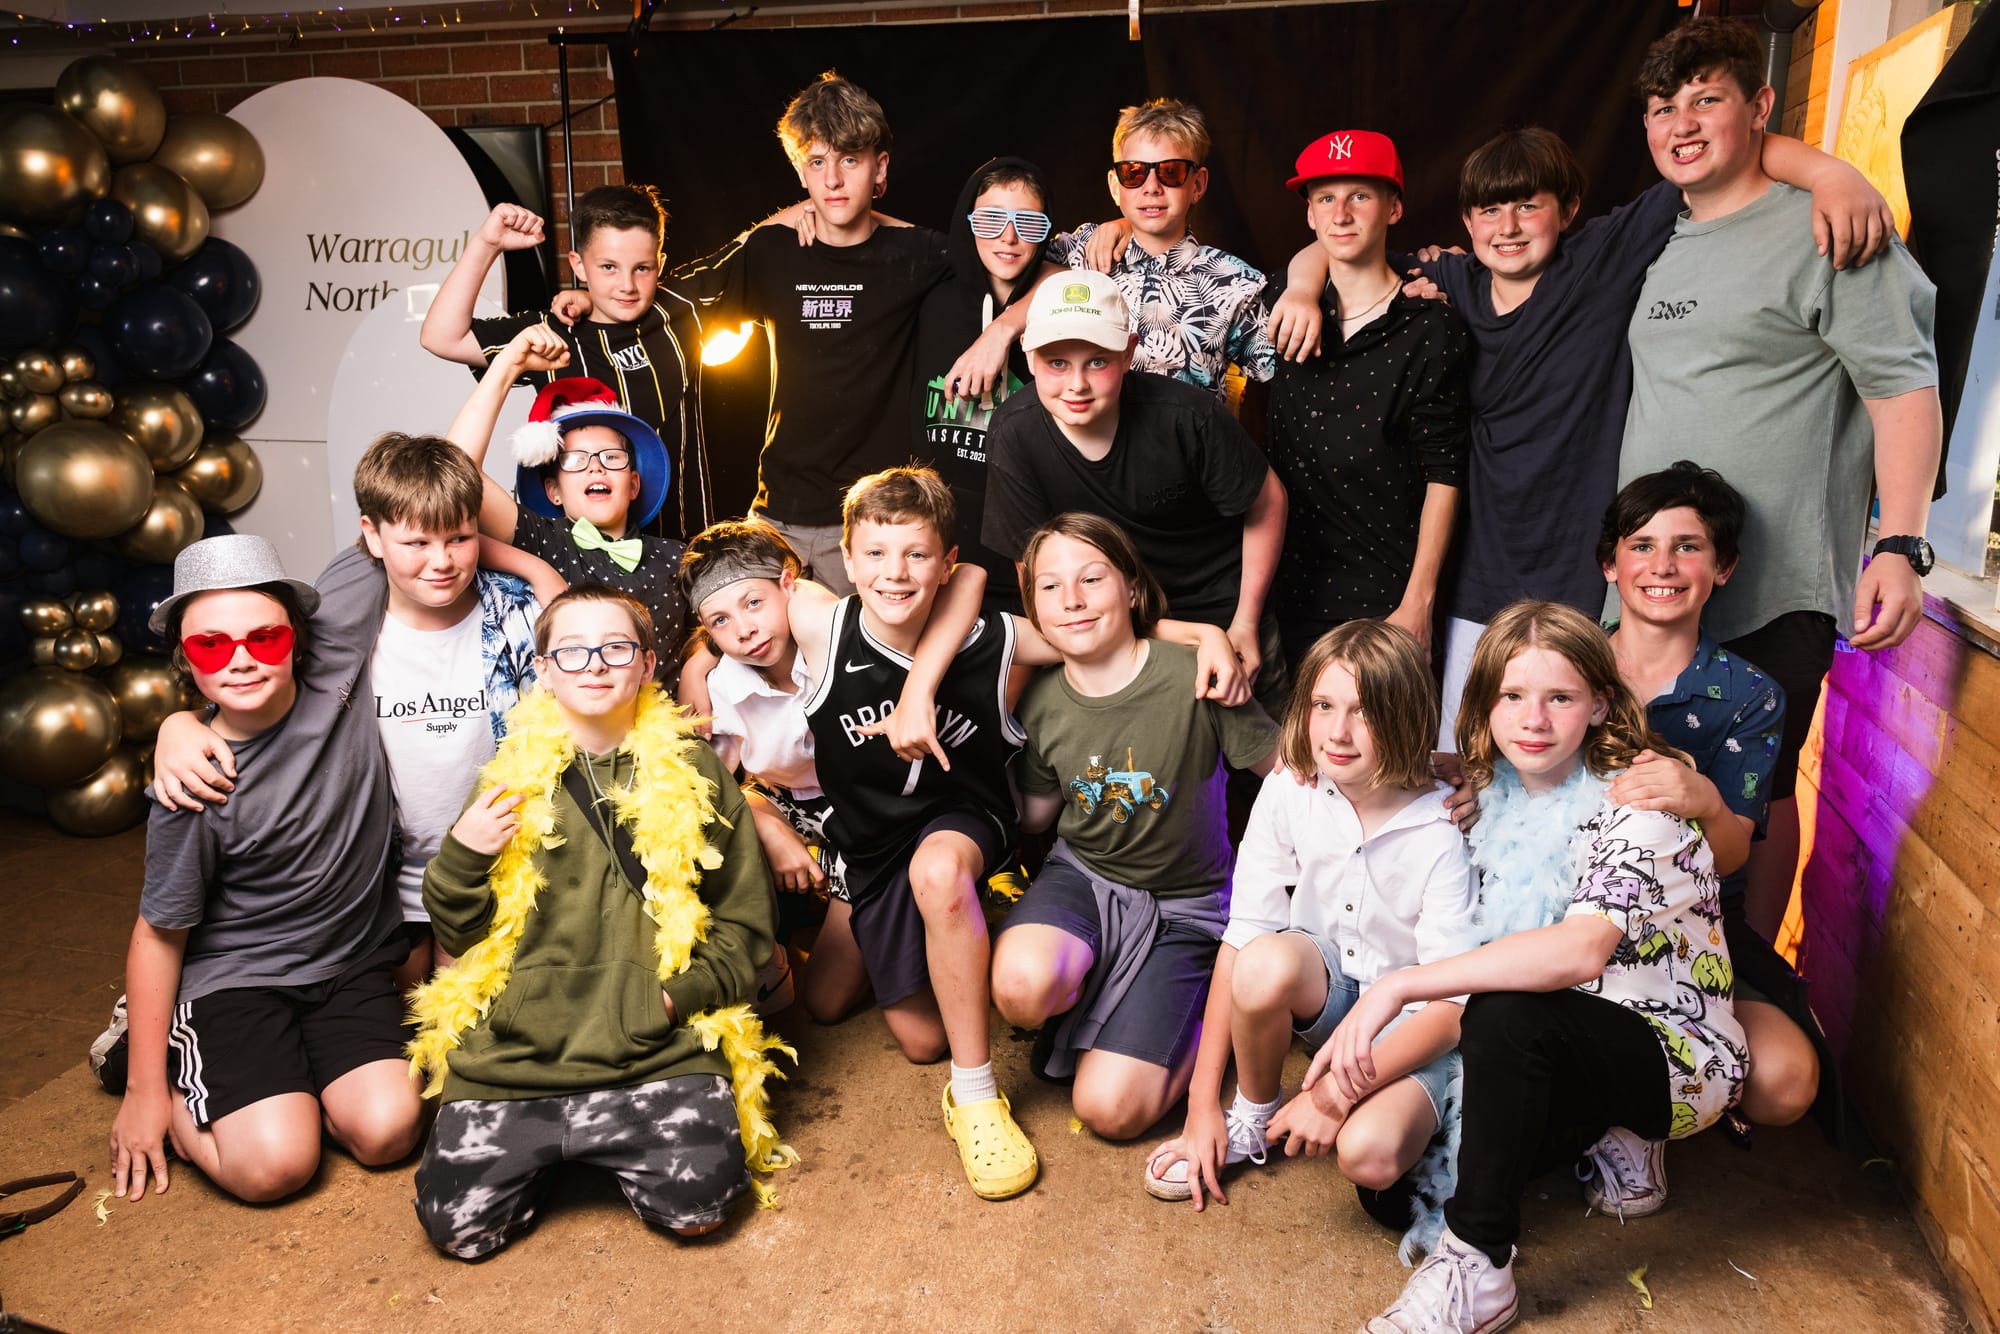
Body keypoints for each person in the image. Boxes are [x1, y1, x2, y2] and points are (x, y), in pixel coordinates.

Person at [1268, 117, 1896, 740]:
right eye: (1490, 211)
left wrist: (1830, 174)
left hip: (1580, 585)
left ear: (1567, 210)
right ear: (1467, 222)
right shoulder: (1455, 282)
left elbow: (1712, 161)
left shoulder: (1600, 261)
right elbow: (1347, 241)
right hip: (1474, 582)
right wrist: (1300, 286)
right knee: (1461, 761)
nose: (1508, 227)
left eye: (1527, 206)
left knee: (1562, 756)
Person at [1328, 601, 1746, 1333]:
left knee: (1506, 1012)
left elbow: (1580, 951)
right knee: (1390, 1195)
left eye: (1560, 698)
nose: (1534, 720)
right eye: (1512, 696)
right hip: (1554, 1047)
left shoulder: (1642, 804)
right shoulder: (1491, 793)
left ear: (1600, 706)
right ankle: (1595, 1135)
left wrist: (1399, 986)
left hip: (1671, 1052)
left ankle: (1479, 1268)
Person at [1618, 16, 1942, 938]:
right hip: (1656, 584)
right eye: (1662, 109)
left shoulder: (1827, 226)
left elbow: (1902, 387)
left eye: (1706, 100)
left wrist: (1902, 544)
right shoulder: (1665, 235)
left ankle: (1754, 968)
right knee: (1656, 785)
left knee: (1757, 793)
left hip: (1776, 586)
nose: (1682, 124)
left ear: (1760, 106)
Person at [409, 584, 792, 1258]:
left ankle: (598, 1149)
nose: (594, 664)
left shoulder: (694, 770)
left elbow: (746, 923)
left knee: (701, 1209)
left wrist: (671, 1001)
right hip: (518, 1059)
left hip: (656, 1051)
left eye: (615, 648)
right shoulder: (507, 780)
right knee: (459, 1231)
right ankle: (557, 1150)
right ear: (543, 670)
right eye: (572, 651)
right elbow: (462, 934)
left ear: (646, 665)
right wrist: (463, 854)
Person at [148, 433, 543, 986]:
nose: (441, 560)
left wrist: (540, 572)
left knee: (485, 1022)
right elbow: (254, 681)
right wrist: (181, 722)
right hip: (381, 894)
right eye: (418, 543)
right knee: (403, 1024)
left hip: (494, 872)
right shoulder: (338, 629)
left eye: (460, 538)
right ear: (372, 537)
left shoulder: (516, 616)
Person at [106, 535, 421, 1206]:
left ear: (299, 639)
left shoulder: (337, 662)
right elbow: (159, 933)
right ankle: (157, 1053)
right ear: (184, 658)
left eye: (265, 638)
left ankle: (286, 1087)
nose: (242, 659)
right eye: (211, 646)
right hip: (236, 979)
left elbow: (405, 515)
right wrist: (144, 1094)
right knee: (275, 1168)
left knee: (389, 1131)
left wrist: (536, 569)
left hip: (347, 966)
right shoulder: (192, 782)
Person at [1140, 620, 1471, 1208]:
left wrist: (1333, 1096)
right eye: (1323, 705)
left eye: (1364, 711)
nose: (1338, 732)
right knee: (1263, 960)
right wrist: (1201, 1106)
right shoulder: (1292, 786)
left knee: (1369, 1157)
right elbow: (1242, 940)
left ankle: (1430, 1112)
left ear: (1404, 715)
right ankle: (1254, 1114)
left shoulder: (1446, 822)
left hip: (1412, 1025)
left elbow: (1449, 1012)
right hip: (1329, 996)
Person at [990, 513, 1279, 1142]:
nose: (1071, 599)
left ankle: (1204, 1011)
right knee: (1019, 988)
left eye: (1091, 579)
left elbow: (1286, 771)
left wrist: (1405, 775)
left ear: (1131, 587)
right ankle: (1102, 986)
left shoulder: (1195, 672)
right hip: (1085, 879)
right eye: (1049, 586)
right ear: (1034, 607)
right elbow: (1034, 815)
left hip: (1188, 906)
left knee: (1109, 1111)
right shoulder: (1040, 700)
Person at [1598, 462, 1824, 1150]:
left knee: (1785, 1082)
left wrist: (1706, 802)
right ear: (1610, 564)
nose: (1662, 565)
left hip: (1692, 929)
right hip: (1564, 912)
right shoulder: (1559, 661)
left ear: (1723, 568)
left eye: (1688, 547)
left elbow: (1728, 856)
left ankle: (1649, 1107)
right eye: (1642, 545)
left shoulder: (1751, 694)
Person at [667, 73, 954, 594]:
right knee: (748, 638)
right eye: (817, 162)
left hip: (874, 519)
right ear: (800, 171)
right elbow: (675, 296)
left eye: (850, 160)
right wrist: (586, 298)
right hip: (779, 511)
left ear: (879, 168)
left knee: (863, 646)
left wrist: (1002, 331)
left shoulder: (918, 253)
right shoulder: (773, 250)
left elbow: (1027, 267)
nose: (833, 181)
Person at [982, 269, 1290, 713]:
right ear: (1028, 356)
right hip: (1107, 623)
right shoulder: (1015, 432)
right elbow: (1033, 568)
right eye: (1057, 363)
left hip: (1222, 608)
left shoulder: (1186, 417)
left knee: (1266, 744)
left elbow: (1268, 501)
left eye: (1097, 362)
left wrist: (1246, 622)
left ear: (1128, 353)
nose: (1077, 384)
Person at [1263, 130, 1469, 663]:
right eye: (1325, 199)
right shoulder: (1283, 302)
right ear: (1310, 215)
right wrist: (1301, 289)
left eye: (1360, 196)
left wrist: (1419, 602)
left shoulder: (1430, 325)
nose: (1341, 214)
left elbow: (1445, 473)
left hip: (1384, 594)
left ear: (1394, 208)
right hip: (1286, 594)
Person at [419, 184, 712, 539]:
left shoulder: (682, 307)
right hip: (574, 553)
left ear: (660, 264)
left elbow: (755, 244)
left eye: (642, 268)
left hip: (684, 544)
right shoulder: (550, 332)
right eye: (608, 267)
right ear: (579, 265)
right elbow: (441, 336)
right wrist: (487, 244)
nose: (627, 285)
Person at [443, 323, 689, 681]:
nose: (595, 467)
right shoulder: (545, 542)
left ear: (633, 484)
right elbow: (453, 472)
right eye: (575, 460)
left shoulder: (678, 557)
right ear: (553, 491)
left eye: (611, 457)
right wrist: (508, 364)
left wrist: (701, 660)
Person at [677, 518, 836, 1009]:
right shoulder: (721, 685)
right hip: (785, 800)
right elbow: (704, 788)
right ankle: (766, 954)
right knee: (711, 833)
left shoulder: (835, 635)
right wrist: (766, 826)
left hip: (867, 809)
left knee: (829, 1000)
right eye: (721, 621)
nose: (744, 631)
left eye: (753, 603)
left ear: (788, 586)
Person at [1047, 97, 1276, 400]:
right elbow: (1006, 261)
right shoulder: (1080, 251)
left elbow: (1292, 377)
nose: (1152, 187)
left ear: (1197, 185)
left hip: (1190, 431)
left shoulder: (1233, 281)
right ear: (1115, 186)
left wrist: (1306, 277)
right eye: (1134, 172)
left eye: (1171, 172)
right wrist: (1002, 329)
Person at [915, 156, 1056, 614]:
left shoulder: (1059, 307)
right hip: (935, 539)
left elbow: (1079, 277)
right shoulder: (930, 291)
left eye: (1028, 223)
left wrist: (1001, 331)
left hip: (1026, 542)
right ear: (968, 221)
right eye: (992, 220)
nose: (1008, 237)